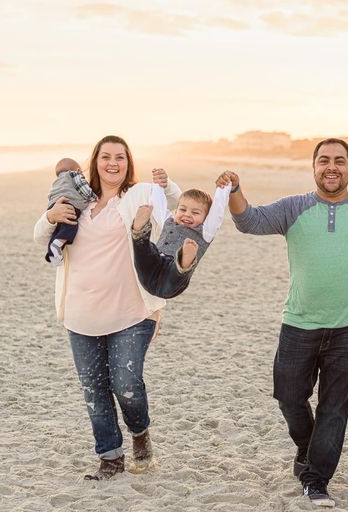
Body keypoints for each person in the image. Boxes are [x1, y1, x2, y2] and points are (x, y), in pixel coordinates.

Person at [216, 138, 348, 508]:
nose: (331, 167)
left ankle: (316, 480)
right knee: (288, 397)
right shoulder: (294, 207)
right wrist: (235, 190)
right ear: (313, 166)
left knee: (335, 407)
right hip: (299, 324)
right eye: (323, 161)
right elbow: (248, 221)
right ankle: (308, 445)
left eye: (339, 161)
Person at [33, 135, 182, 480]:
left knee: (126, 383)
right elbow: (41, 237)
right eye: (106, 157)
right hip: (80, 311)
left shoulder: (138, 194)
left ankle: (140, 433)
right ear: (95, 161)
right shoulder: (78, 198)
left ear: (129, 163)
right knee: (94, 389)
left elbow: (176, 207)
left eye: (120, 157)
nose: (112, 163)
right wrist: (49, 215)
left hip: (131, 311)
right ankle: (110, 457)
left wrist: (167, 184)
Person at [130, 182, 230, 299]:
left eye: (195, 213)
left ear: (206, 218)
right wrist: (158, 185)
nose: (187, 215)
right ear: (176, 211)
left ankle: (184, 261)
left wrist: (224, 188)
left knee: (177, 272)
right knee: (144, 250)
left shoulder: (205, 232)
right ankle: (139, 232)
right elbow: (159, 206)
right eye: (182, 210)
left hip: (172, 279)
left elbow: (217, 211)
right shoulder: (169, 222)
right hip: (151, 270)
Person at [44, 158, 97, 265]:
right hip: (69, 204)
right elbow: (82, 187)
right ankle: (58, 244)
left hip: (54, 206)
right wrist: (93, 197)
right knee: (71, 225)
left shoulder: (57, 181)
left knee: (58, 230)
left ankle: (52, 253)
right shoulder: (74, 174)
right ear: (78, 169)